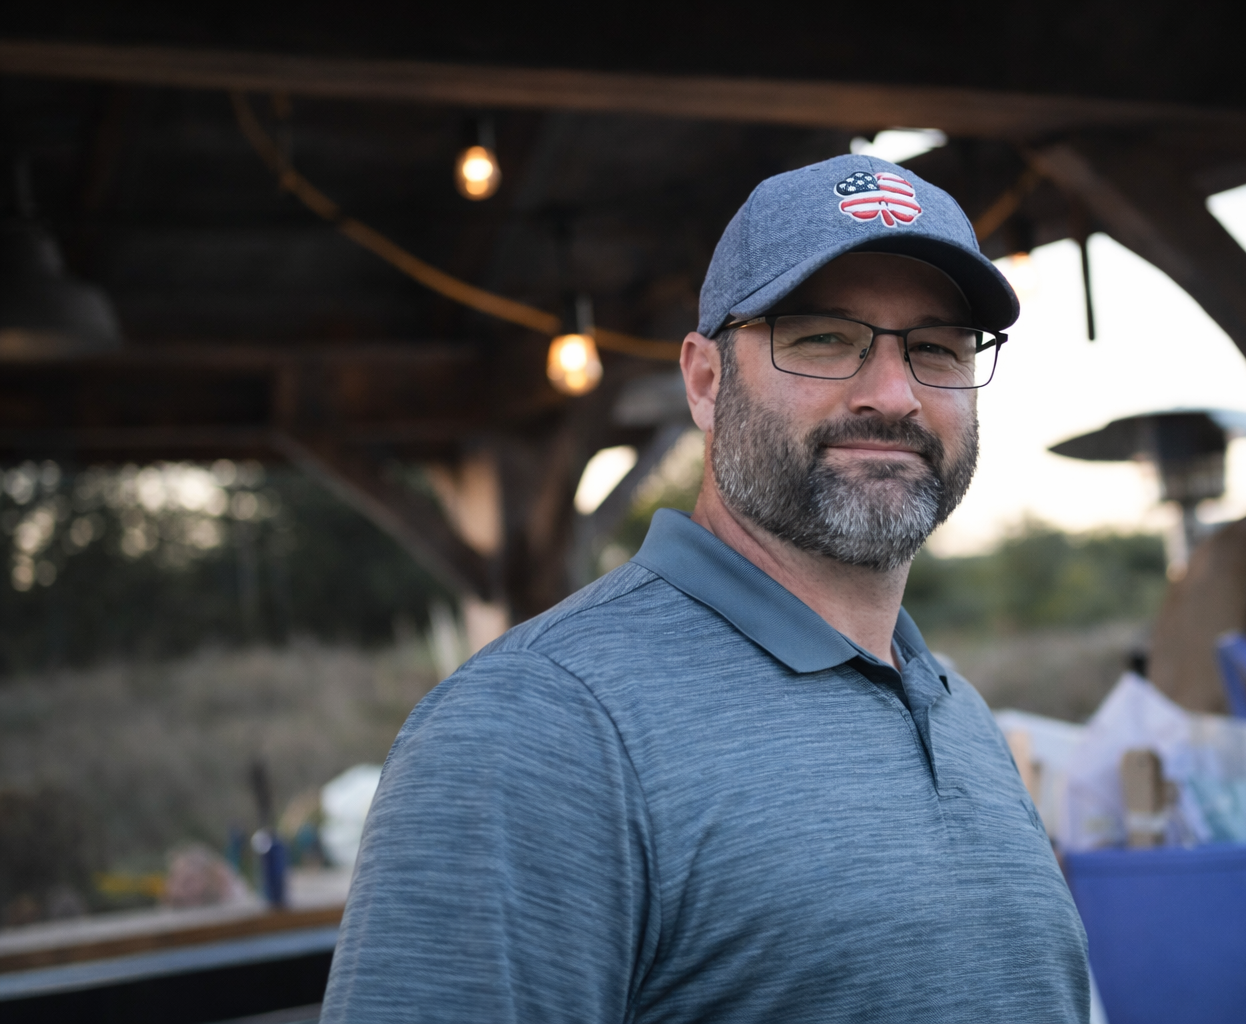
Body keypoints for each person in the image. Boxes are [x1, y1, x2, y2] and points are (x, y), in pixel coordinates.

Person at [321, 155, 1089, 1023]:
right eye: (823, 338)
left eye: (937, 348)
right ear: (705, 381)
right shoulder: (535, 726)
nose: (893, 395)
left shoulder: (959, 712)